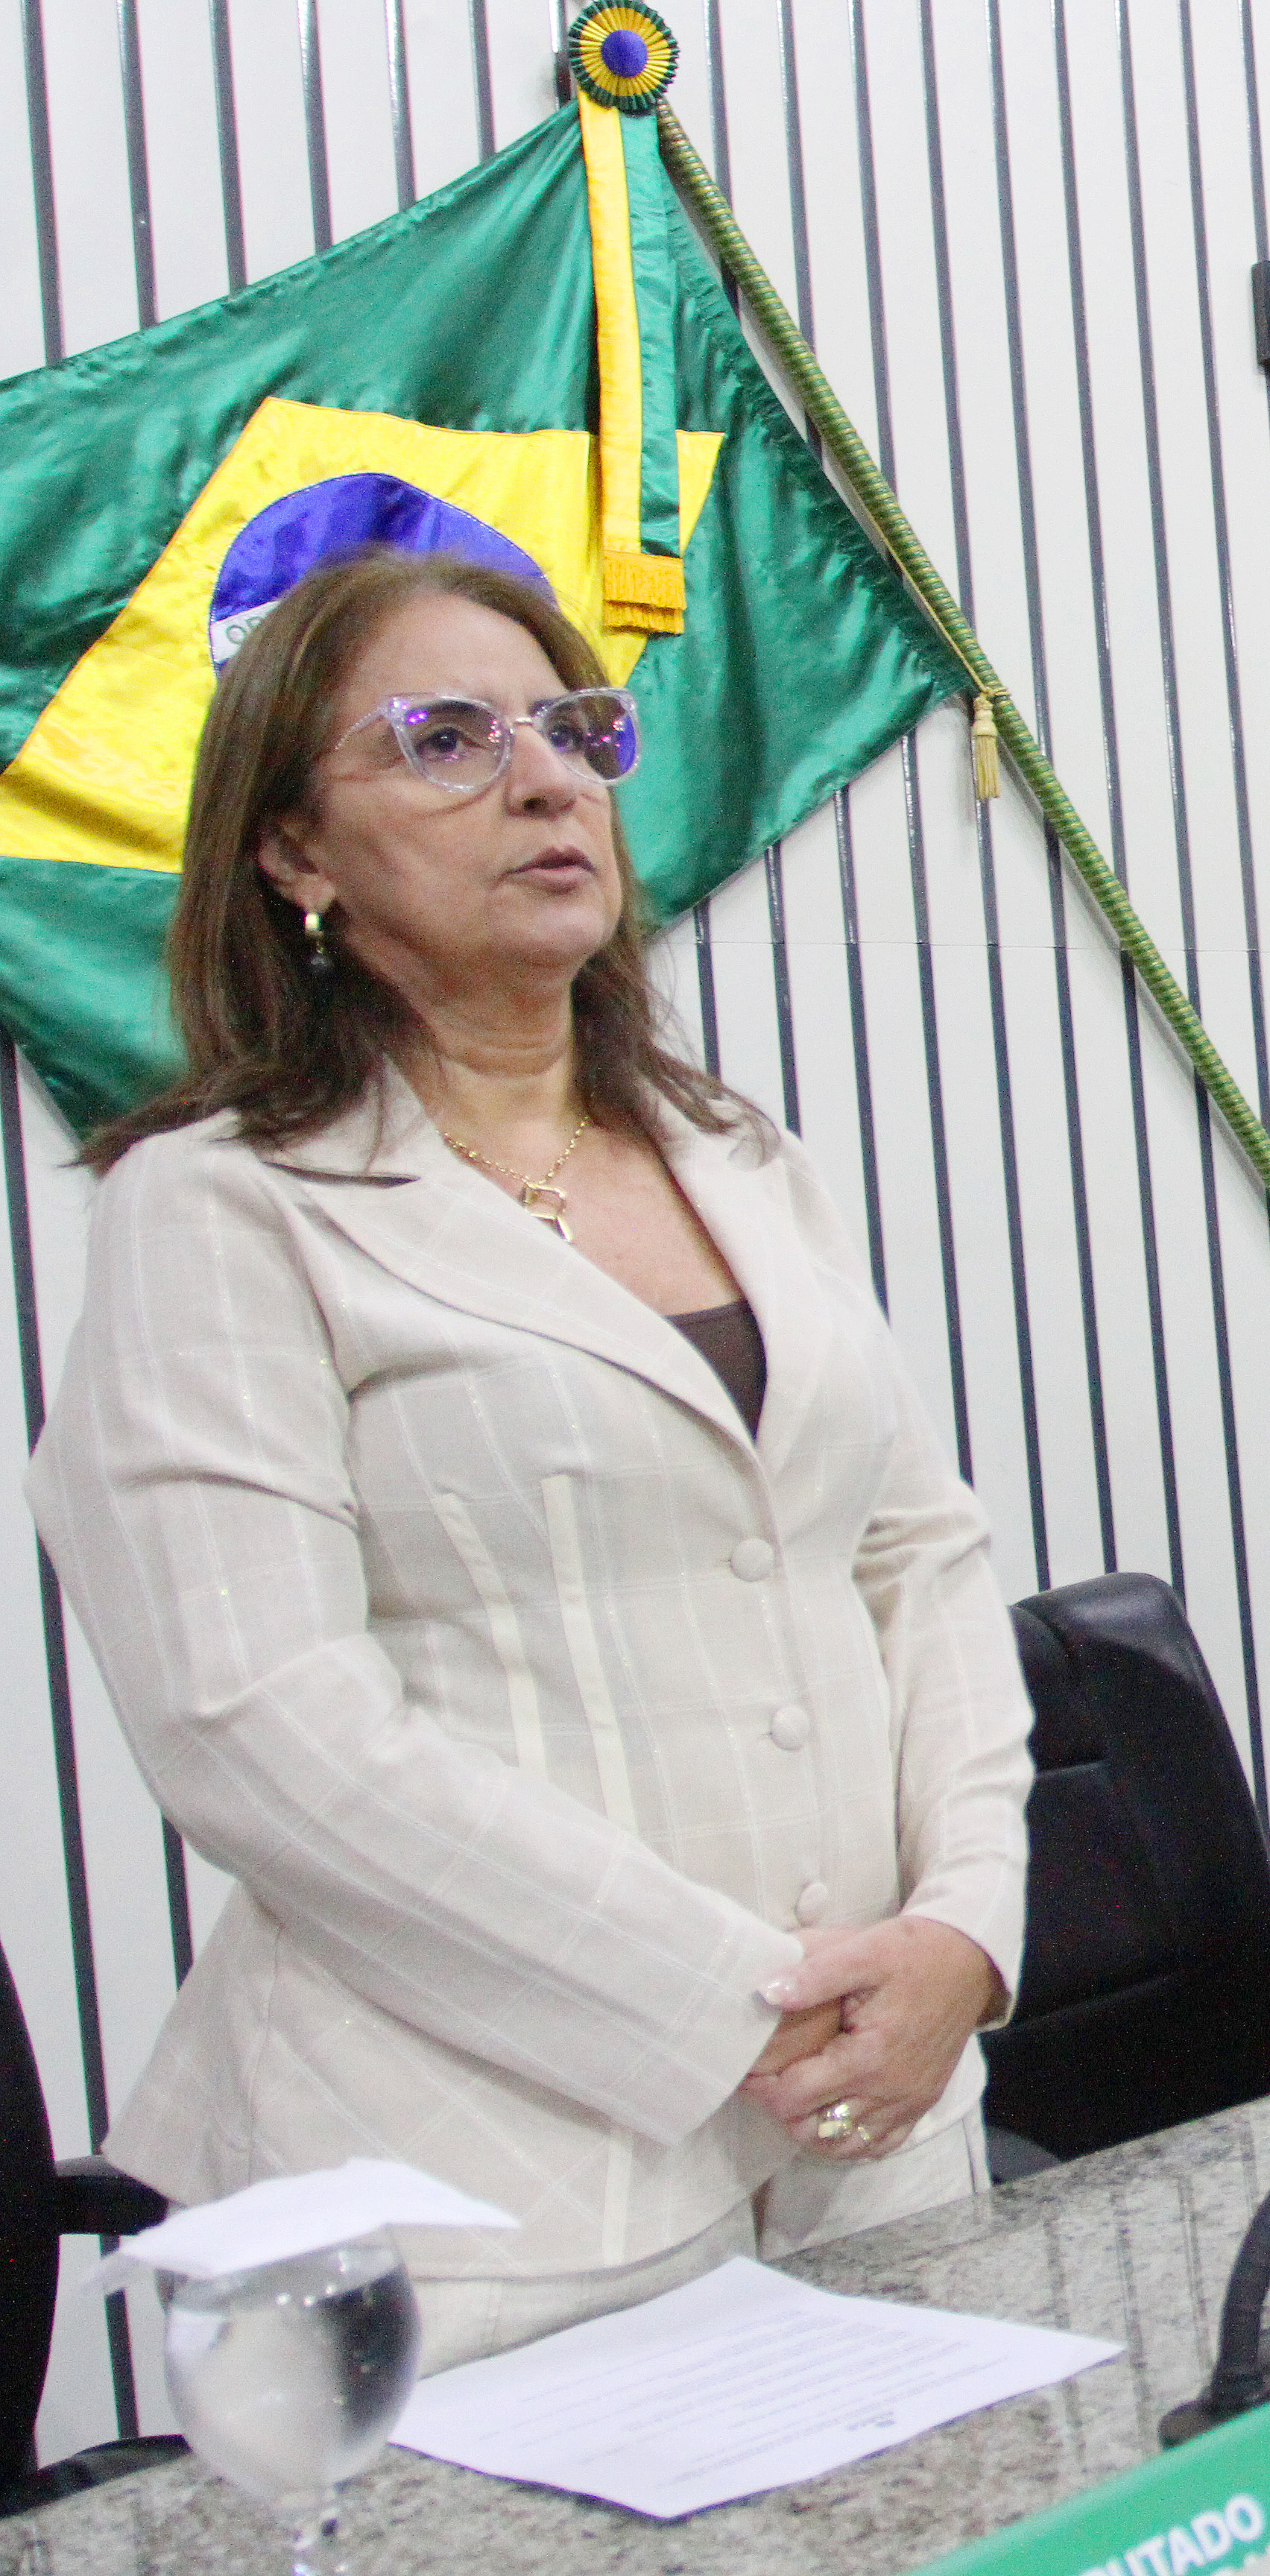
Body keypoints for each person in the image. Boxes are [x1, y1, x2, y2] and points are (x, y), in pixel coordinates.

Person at [28, 548, 1032, 2371]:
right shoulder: (222, 1205)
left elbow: (918, 1557)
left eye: (574, 728)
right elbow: (256, 1720)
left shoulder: (740, 1154)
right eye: (444, 738)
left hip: (876, 2141)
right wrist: (738, 2004)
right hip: (481, 2194)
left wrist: (964, 1930)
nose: (548, 776)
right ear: (295, 855)